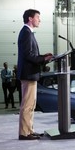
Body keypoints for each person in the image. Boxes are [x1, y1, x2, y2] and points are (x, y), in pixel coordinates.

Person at [17, 9, 53, 140]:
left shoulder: (28, 32)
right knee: (27, 105)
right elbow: (28, 55)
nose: (39, 19)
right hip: (28, 74)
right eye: (38, 17)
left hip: (30, 74)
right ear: (30, 19)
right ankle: (24, 133)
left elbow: (31, 54)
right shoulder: (26, 33)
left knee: (31, 104)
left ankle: (29, 130)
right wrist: (43, 59)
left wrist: (44, 57)